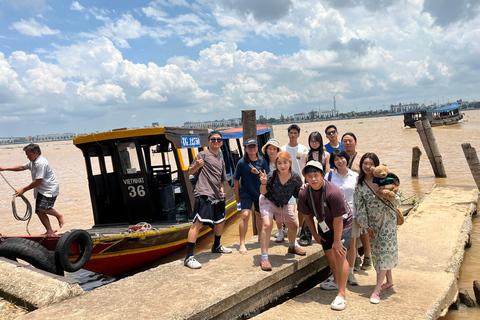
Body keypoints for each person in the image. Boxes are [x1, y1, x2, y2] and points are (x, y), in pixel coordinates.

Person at [298, 160, 352, 311]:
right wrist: (314, 234)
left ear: (323, 175)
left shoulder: (333, 192)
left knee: (340, 253)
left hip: (343, 223)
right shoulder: (304, 193)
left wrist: (337, 241)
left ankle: (341, 294)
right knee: (328, 252)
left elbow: (338, 219)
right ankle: (336, 280)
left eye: (316, 175)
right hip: (324, 224)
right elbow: (307, 216)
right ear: (306, 178)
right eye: (309, 176)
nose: (313, 179)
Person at [354, 153, 400, 304]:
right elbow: (359, 206)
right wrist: (365, 225)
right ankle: (390, 281)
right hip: (372, 223)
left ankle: (377, 290)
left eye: (371, 163)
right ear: (361, 165)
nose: (367, 166)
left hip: (388, 219)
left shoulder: (384, 179)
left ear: (376, 165)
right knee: (377, 254)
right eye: (365, 163)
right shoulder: (359, 184)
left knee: (385, 252)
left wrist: (391, 195)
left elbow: (397, 199)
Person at [184, 131, 232, 269]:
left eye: (218, 140)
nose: (216, 141)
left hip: (217, 195)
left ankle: (216, 245)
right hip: (204, 193)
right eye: (213, 139)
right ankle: (189, 257)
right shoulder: (202, 155)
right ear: (208, 142)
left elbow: (222, 180)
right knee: (198, 223)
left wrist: (222, 191)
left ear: (221, 143)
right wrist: (197, 166)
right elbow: (190, 172)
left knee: (221, 222)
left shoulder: (221, 160)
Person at [0, 143, 65, 235]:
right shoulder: (33, 162)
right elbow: (22, 167)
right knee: (39, 210)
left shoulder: (41, 163)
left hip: (49, 189)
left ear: (36, 153)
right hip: (41, 189)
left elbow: (38, 181)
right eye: (26, 155)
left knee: (43, 208)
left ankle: (59, 215)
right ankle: (49, 231)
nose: (27, 157)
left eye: (28, 155)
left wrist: (23, 190)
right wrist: (5, 168)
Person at [258, 151, 305, 271]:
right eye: (279, 163)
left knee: (293, 226)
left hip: (283, 204)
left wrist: (303, 189)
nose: (282, 166)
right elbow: (263, 192)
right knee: (267, 225)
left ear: (290, 163)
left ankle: (292, 246)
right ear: (276, 164)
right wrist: (263, 183)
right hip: (268, 201)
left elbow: (297, 194)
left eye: (285, 162)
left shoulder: (295, 178)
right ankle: (264, 257)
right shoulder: (272, 175)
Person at [326, 149, 359, 286]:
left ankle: (350, 272)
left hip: (353, 215)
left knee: (351, 244)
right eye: (336, 159)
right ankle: (337, 272)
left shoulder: (355, 176)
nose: (340, 161)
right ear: (333, 162)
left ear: (347, 159)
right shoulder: (329, 176)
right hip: (335, 217)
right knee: (336, 245)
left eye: (342, 158)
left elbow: (360, 196)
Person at [341, 132, 372, 271]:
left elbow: (370, 174)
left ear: (355, 142)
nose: (348, 143)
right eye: (345, 141)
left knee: (363, 228)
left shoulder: (361, 158)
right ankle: (356, 257)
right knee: (351, 231)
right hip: (348, 198)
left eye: (350, 140)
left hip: (361, 197)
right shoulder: (340, 158)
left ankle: (367, 255)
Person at [234, 138, 269, 254]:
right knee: (245, 215)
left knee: (259, 215)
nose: (252, 149)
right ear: (246, 149)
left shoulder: (262, 161)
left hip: (259, 192)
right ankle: (242, 243)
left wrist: (257, 172)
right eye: (249, 147)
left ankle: (260, 236)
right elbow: (236, 179)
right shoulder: (241, 162)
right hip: (246, 192)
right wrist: (237, 195)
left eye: (254, 146)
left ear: (257, 148)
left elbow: (266, 177)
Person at [298, 131, 332, 246]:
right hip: (310, 185)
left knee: (324, 211)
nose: (314, 143)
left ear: (320, 141)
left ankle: (326, 233)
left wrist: (327, 185)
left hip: (322, 185)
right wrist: (303, 183)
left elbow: (327, 171)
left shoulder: (326, 155)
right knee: (309, 211)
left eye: (316, 141)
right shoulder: (306, 154)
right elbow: (303, 171)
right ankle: (305, 236)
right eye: (312, 141)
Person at [281, 124, 308, 239]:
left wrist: (303, 181)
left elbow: (305, 166)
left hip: (299, 182)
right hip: (286, 182)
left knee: (301, 206)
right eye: (291, 133)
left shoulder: (303, 149)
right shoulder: (283, 149)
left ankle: (301, 227)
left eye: (295, 133)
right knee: (286, 205)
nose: (293, 135)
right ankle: (286, 226)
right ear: (288, 134)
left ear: (298, 135)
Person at [261, 138, 285, 242]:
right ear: (266, 150)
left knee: (286, 212)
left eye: (274, 149)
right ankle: (280, 232)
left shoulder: (280, 162)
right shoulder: (263, 163)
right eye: (270, 149)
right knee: (276, 214)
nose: (272, 151)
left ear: (277, 151)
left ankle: (285, 229)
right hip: (269, 191)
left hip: (282, 190)